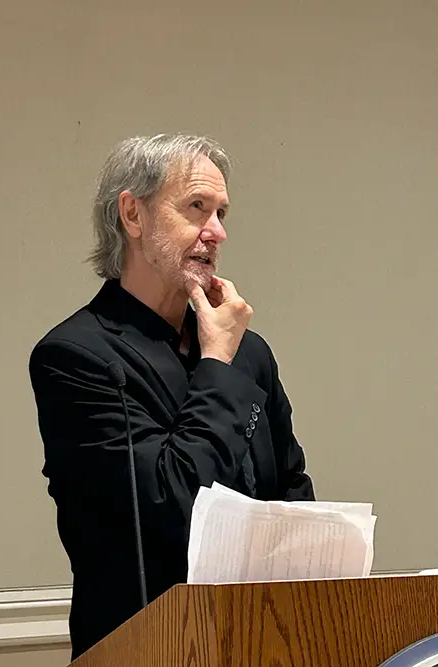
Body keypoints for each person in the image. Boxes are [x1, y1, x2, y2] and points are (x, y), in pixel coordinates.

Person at [29, 133, 315, 660]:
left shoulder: (249, 354)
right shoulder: (77, 356)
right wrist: (216, 366)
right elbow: (175, 509)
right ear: (133, 216)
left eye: (222, 212)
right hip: (144, 648)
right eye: (197, 208)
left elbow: (293, 500)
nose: (217, 232)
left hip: (264, 642)